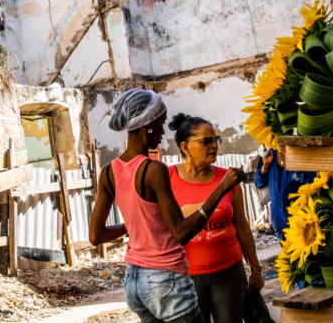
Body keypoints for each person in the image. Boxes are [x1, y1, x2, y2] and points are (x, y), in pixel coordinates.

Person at [89, 89, 246, 323]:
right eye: (161, 125)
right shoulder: (154, 169)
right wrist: (221, 189)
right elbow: (181, 233)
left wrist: (131, 225)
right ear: (148, 125)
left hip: (134, 282)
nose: (162, 133)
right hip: (165, 280)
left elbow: (96, 235)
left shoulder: (109, 172)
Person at [167, 113, 265, 323]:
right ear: (185, 147)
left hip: (229, 272)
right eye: (206, 141)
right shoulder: (166, 179)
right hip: (186, 276)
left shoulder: (227, 178)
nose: (214, 146)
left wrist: (255, 268)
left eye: (215, 139)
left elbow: (242, 225)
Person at [255, 148, 316, 240]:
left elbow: (312, 180)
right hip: (279, 223)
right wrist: (265, 167)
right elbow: (259, 183)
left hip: (301, 224)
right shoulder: (270, 154)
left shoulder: (300, 152)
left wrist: (293, 161)